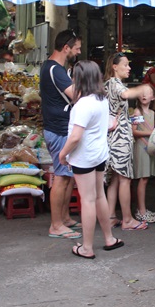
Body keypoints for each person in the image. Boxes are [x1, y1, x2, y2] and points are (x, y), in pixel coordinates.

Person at [58, 61, 124, 259]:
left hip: (84, 157)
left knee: (87, 200)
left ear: (80, 79)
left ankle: (87, 247)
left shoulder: (83, 104)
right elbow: (108, 124)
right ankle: (109, 238)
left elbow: (76, 137)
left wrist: (63, 154)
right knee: (98, 196)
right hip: (99, 154)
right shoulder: (100, 99)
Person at [39, 30, 83, 239]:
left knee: (67, 177)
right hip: (58, 129)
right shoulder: (55, 70)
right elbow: (75, 95)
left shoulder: (53, 68)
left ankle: (64, 218)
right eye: (77, 48)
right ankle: (56, 225)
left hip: (58, 127)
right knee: (61, 177)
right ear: (66, 48)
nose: (78, 52)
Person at [104, 52, 153, 231]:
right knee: (125, 179)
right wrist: (142, 88)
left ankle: (110, 216)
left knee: (116, 180)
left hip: (113, 137)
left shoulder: (108, 84)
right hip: (120, 139)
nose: (129, 68)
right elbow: (126, 93)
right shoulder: (115, 84)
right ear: (114, 67)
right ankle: (127, 219)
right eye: (125, 65)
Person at [131, 84, 155, 223]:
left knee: (145, 179)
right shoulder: (137, 112)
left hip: (149, 148)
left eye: (148, 93)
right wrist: (151, 133)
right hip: (141, 147)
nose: (144, 95)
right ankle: (141, 210)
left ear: (153, 97)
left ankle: (142, 209)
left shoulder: (152, 113)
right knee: (142, 178)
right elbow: (134, 131)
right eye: (142, 92)